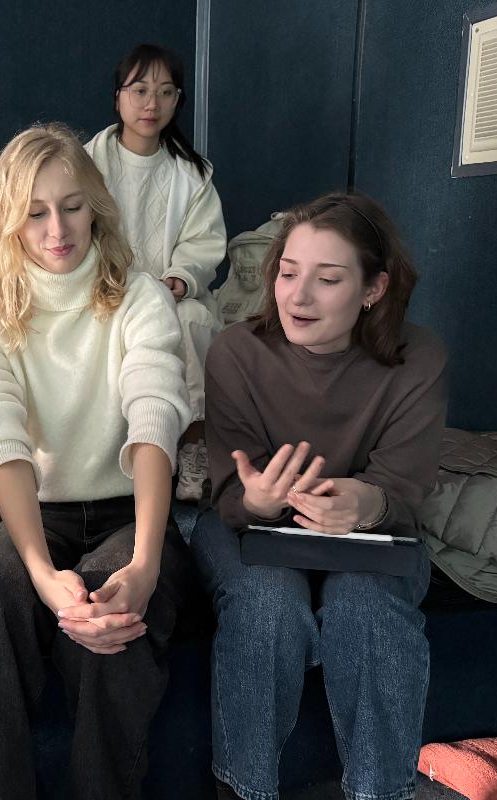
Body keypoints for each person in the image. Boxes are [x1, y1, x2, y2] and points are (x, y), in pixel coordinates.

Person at [0, 123, 193, 800]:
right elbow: (3, 445)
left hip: (128, 513)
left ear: (96, 206)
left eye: (72, 206)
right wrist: (43, 576)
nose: (57, 230)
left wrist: (145, 563)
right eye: (36, 213)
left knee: (115, 618)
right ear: (10, 222)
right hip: (35, 514)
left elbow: (155, 420)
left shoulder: (140, 297)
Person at [188, 192, 448, 800]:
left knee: (367, 607)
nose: (298, 297)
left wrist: (368, 502)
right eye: (287, 273)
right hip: (252, 528)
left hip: (371, 536)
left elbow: (404, 496)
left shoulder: (420, 359)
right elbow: (229, 497)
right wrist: (258, 501)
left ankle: (381, 793)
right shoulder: (236, 351)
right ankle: (244, 791)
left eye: (327, 280)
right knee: (267, 603)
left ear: (373, 289)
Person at [86, 43, 227, 503]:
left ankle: (192, 448)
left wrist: (180, 279)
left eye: (166, 92)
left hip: (171, 294)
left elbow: (203, 241)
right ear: (118, 96)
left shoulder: (192, 173)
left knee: (192, 321)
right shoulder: (87, 164)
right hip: (105, 291)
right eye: (141, 90)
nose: (152, 103)